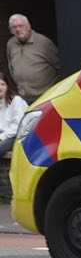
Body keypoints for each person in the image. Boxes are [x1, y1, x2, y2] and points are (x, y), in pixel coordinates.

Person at [5, 15, 60, 104]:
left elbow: (59, 66)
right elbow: (11, 66)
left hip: (46, 97)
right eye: (14, 27)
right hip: (24, 97)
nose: (18, 29)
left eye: (21, 26)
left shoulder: (44, 43)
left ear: (28, 26)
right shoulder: (11, 44)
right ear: (11, 30)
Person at [0, 74, 25, 203]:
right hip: (3, 135)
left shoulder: (16, 101)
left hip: (17, 135)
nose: (0, 88)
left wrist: (1, 137)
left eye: (2, 84)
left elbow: (18, 126)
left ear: (8, 86)